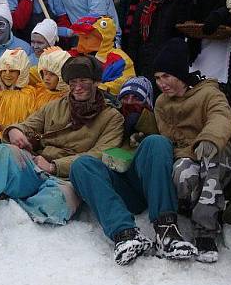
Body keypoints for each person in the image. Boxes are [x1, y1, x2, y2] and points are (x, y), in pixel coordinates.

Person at [0, 54, 124, 264]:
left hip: (68, 180)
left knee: (55, 207)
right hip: (37, 168)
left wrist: (55, 166)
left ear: (96, 83)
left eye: (84, 81)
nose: (78, 87)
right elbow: (29, 124)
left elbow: (99, 155)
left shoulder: (112, 117)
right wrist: (15, 131)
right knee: (1, 152)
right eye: (73, 82)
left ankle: (1, 197)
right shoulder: (56, 106)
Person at [69, 72, 197, 265]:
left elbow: (174, 138)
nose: (129, 102)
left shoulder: (158, 117)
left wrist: (142, 124)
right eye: (125, 97)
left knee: (157, 142)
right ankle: (125, 234)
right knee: (81, 164)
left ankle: (166, 229)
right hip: (118, 185)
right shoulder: (109, 117)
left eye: (136, 97)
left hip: (147, 183)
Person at [152, 38, 231, 262]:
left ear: (180, 74)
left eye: (167, 76)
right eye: (158, 78)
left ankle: (205, 231)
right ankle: (195, 206)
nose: (162, 83)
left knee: (211, 160)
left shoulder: (209, 93)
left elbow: (222, 117)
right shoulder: (162, 103)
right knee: (183, 173)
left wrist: (209, 139)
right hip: (187, 155)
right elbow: (168, 138)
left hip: (215, 152)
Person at [124, 0, 180, 86]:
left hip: (168, 62)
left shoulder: (179, 5)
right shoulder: (145, 6)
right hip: (145, 61)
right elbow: (134, 36)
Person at [0, 48, 38, 154]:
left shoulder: (31, 95)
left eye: (12, 71)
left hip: (20, 140)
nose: (7, 74)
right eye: (4, 70)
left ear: (21, 72)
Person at [70, 15, 134, 96]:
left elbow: (125, 81)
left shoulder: (119, 58)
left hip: (108, 101)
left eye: (86, 38)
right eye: (80, 38)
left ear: (104, 38)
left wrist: (99, 88)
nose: (81, 43)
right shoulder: (77, 56)